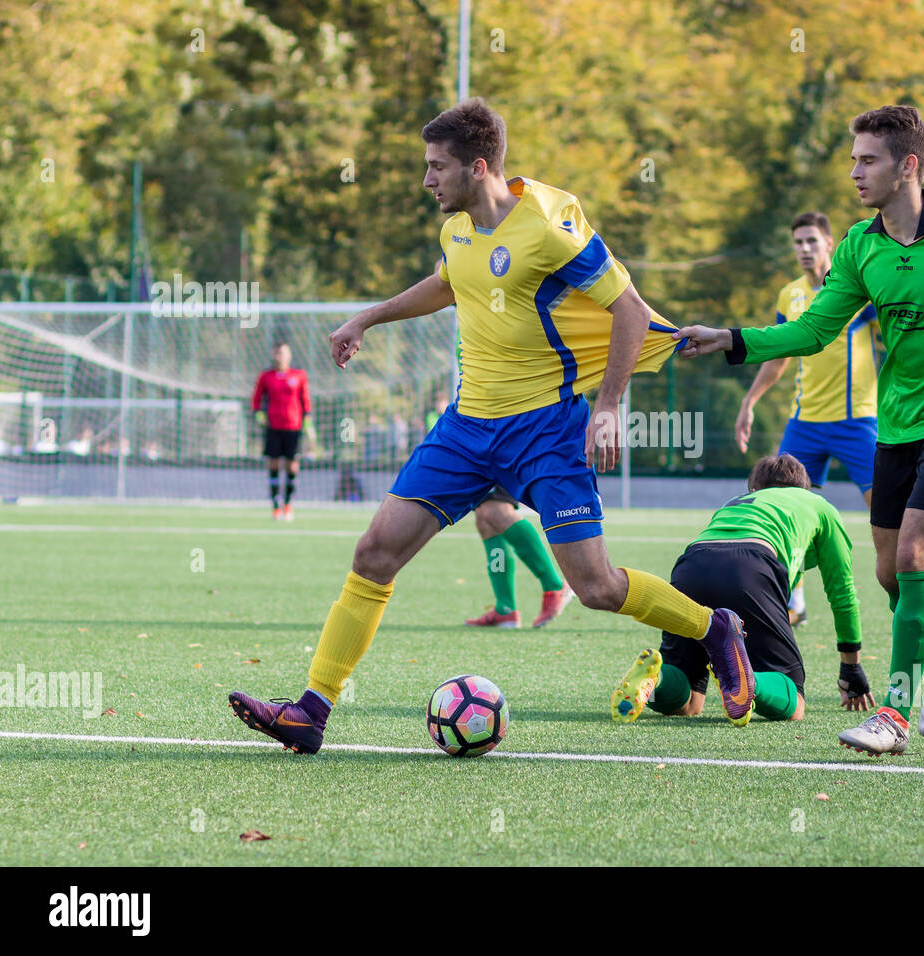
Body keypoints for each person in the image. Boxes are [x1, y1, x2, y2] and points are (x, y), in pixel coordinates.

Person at [229, 98, 755, 754]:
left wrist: (611, 404)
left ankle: (715, 629)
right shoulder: (456, 231)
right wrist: (367, 317)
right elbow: (450, 284)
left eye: (436, 167)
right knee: (375, 552)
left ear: (478, 168)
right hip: (466, 430)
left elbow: (625, 310)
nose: (427, 180)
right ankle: (311, 710)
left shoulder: (547, 224)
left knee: (595, 587)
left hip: (547, 431)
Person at [675, 105, 924, 755]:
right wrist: (730, 338)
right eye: (853, 158)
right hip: (897, 425)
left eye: (867, 159)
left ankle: (895, 714)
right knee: (891, 574)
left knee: (913, 558)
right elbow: (814, 330)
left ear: (908, 166)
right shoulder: (859, 246)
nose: (854, 171)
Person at [612, 454, 874, 723]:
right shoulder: (819, 505)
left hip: (691, 566)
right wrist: (851, 666)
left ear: (754, 489)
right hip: (752, 567)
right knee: (794, 703)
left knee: (689, 703)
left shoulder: (736, 503)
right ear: (804, 487)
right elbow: (843, 594)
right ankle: (749, 682)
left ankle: (656, 681)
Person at [734, 211, 882, 627]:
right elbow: (779, 354)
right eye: (797, 242)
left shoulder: (857, 290)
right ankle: (791, 602)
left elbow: (893, 338)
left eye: (812, 241)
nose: (804, 249)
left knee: (885, 516)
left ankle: (903, 591)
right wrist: (749, 402)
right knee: (778, 513)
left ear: (830, 244)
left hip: (859, 422)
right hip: (806, 423)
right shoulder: (789, 296)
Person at [464, 485, 574, 628]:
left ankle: (554, 585)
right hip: (479, 461)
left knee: (495, 509)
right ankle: (505, 608)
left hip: (498, 461)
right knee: (485, 520)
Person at [251, 342, 313, 520]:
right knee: (273, 464)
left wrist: (307, 419)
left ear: (289, 355)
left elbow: (305, 398)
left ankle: (288, 504)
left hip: (293, 427)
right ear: (273, 355)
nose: (280, 356)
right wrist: (258, 414)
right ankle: (275, 506)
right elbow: (257, 397)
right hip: (273, 427)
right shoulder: (266, 376)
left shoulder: (299, 375)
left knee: (292, 465)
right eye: (277, 353)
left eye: (283, 353)